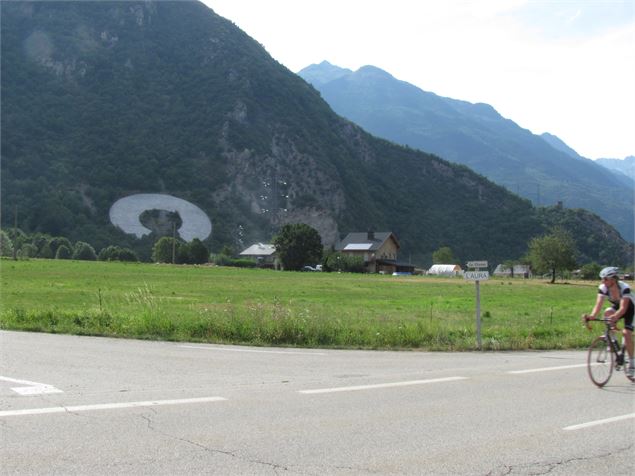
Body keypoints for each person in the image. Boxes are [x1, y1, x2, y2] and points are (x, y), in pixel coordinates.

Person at [586, 266, 634, 377]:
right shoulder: (603, 287)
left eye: (605, 279)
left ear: (613, 279)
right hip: (619, 307)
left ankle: (632, 363)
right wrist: (592, 316)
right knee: (607, 312)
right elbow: (598, 304)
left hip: (631, 309)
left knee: (626, 334)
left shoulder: (624, 288)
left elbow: (623, 308)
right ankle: (612, 342)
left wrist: (615, 316)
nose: (603, 281)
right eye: (602, 279)